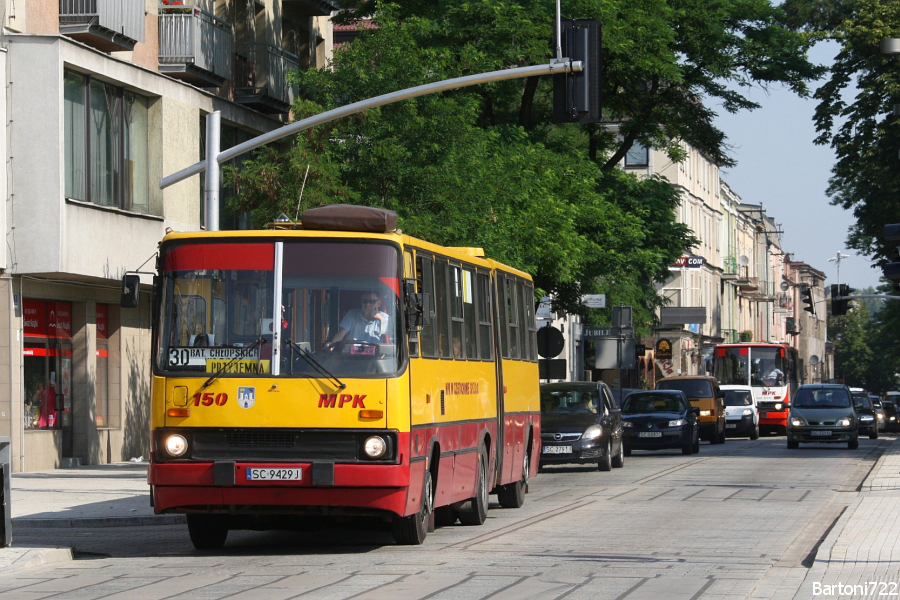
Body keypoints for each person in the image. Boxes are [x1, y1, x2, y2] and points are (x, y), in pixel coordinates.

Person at [325, 292, 391, 349]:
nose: (367, 305)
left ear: (379, 304)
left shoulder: (384, 317)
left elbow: (389, 337)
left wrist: (379, 318)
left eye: (372, 302)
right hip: (350, 357)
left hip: (375, 358)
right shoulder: (352, 314)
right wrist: (332, 345)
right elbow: (341, 333)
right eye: (365, 301)